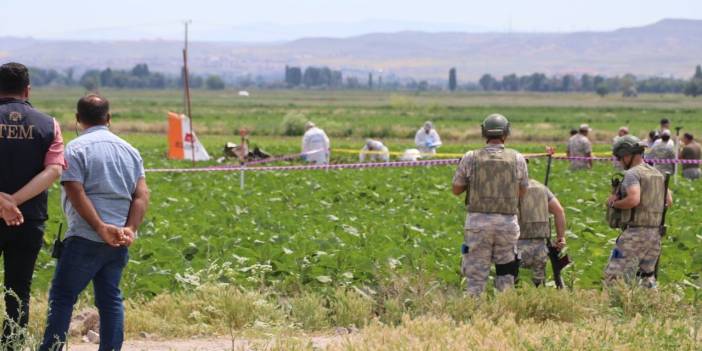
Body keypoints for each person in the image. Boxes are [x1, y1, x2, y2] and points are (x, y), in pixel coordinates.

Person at [40, 95, 149, 351]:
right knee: (110, 299)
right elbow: (142, 194)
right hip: (119, 239)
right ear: (108, 119)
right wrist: (130, 229)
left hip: (85, 237)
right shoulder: (130, 151)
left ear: (78, 119)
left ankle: (51, 348)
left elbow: (75, 192)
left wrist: (100, 227)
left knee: (63, 297)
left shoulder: (76, 149)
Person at [0, 62, 66, 344]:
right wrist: (14, 201)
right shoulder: (48, 124)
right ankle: (13, 342)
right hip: (28, 219)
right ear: (27, 89)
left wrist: (2, 201)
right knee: (19, 287)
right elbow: (54, 170)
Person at [452, 114, 528, 296]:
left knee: (475, 277)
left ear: (484, 132)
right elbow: (523, 191)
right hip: (507, 224)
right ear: (506, 133)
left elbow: (456, 189)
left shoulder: (471, 157)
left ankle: (473, 313)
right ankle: (504, 313)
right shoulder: (517, 158)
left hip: (477, 224)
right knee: (506, 272)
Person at [605, 136, 671, 288]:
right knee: (646, 277)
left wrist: (614, 203)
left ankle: (615, 310)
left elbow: (633, 199)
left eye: (619, 158)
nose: (620, 162)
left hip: (635, 235)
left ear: (627, 155)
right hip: (655, 235)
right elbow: (668, 200)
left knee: (614, 276)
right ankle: (651, 308)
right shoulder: (656, 173)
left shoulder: (632, 174)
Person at [517, 178, 567, 287]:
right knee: (538, 286)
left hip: (516, 247)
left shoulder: (508, 187)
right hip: (540, 248)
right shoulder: (541, 188)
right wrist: (561, 237)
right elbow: (559, 211)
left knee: (512, 284)